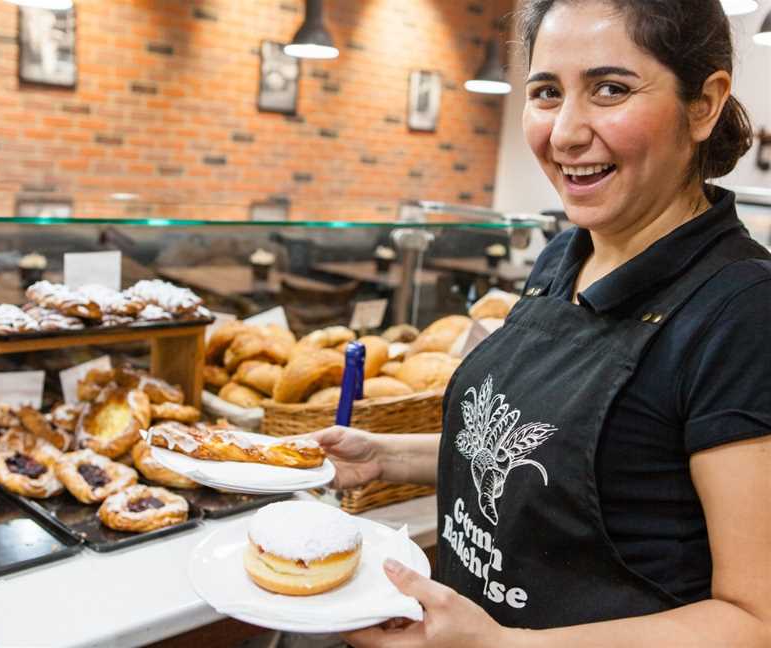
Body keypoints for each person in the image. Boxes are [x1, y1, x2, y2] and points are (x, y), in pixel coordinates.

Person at [308, 1, 771, 645]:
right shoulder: (566, 254)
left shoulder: (742, 312)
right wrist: (387, 457)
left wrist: (504, 645)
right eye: (547, 92)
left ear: (705, 103)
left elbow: (755, 620)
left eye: (610, 89)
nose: (565, 134)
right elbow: (545, 456)